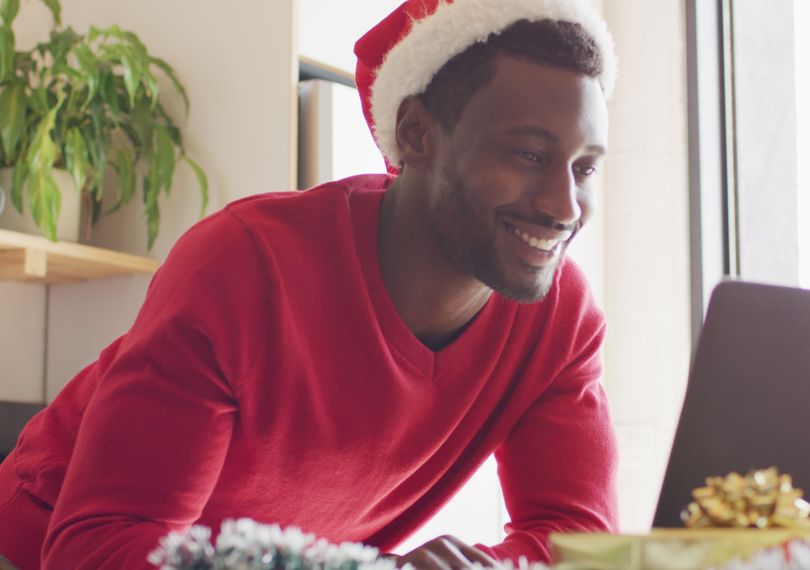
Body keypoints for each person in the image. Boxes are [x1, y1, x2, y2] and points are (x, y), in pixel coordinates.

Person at [0, 0, 620, 568]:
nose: (564, 206)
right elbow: (104, 546)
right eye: (528, 156)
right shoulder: (245, 267)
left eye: (584, 166)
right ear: (416, 133)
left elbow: (577, 540)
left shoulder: (561, 319)